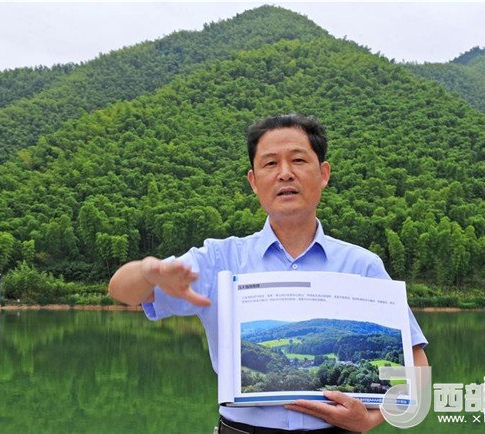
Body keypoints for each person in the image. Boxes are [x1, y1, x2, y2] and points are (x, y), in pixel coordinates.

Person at [108, 114, 428, 434]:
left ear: (323, 174)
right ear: (253, 181)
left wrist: (370, 419)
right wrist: (148, 272)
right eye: (270, 163)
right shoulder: (220, 259)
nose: (285, 173)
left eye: (298, 160)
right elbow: (122, 290)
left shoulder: (363, 265)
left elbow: (417, 365)